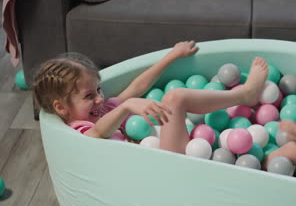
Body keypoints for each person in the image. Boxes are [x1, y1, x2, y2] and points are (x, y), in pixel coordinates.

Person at [32, 40, 269, 154]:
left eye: (99, 90)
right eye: (88, 96)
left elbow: (135, 88)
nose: (99, 99)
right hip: (163, 169)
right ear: (61, 108)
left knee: (174, 98)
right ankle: (245, 94)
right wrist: (127, 108)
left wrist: (171, 56)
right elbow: (99, 132)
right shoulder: (79, 129)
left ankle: (244, 94)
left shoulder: (102, 111)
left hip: (166, 154)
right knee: (175, 97)